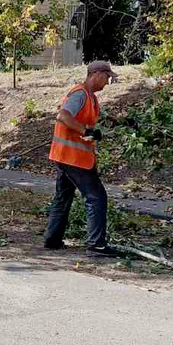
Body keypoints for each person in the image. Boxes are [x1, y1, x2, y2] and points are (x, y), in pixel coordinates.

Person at [43, 60, 119, 257]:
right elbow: (63, 116)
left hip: (66, 156)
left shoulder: (90, 97)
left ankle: (52, 239)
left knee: (63, 196)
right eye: (107, 77)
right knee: (96, 197)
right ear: (97, 74)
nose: (107, 82)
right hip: (73, 158)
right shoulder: (80, 94)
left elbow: (97, 118)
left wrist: (123, 122)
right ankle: (96, 246)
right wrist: (86, 131)